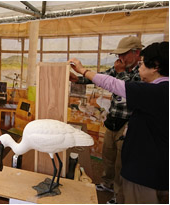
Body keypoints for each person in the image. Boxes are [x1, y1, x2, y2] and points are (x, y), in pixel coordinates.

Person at [69, 41, 169, 204]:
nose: (120, 58)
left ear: (137, 54)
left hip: (144, 169)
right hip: (117, 124)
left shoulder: (153, 86)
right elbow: (103, 78)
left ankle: (117, 193)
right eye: (119, 55)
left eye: (124, 54)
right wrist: (78, 78)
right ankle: (110, 186)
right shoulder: (154, 85)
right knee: (110, 157)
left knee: (121, 164)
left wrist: (85, 70)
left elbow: (118, 86)